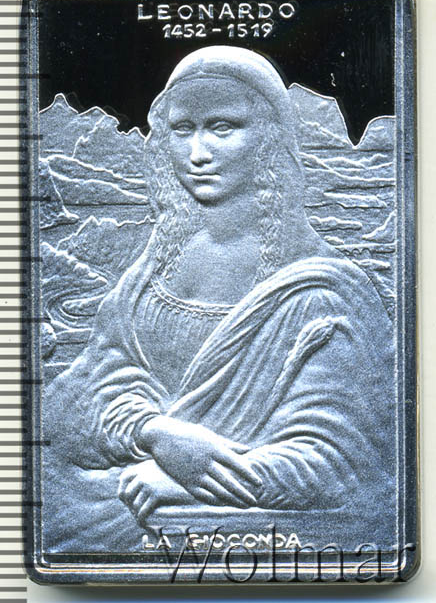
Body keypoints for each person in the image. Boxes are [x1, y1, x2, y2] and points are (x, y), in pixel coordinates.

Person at [43, 46, 396, 553]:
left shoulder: (324, 294)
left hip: (254, 534)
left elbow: (342, 464)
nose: (197, 153)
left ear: (269, 138)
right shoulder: (153, 269)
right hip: (108, 506)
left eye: (222, 128)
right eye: (182, 129)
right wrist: (156, 433)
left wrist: (192, 479)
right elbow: (72, 404)